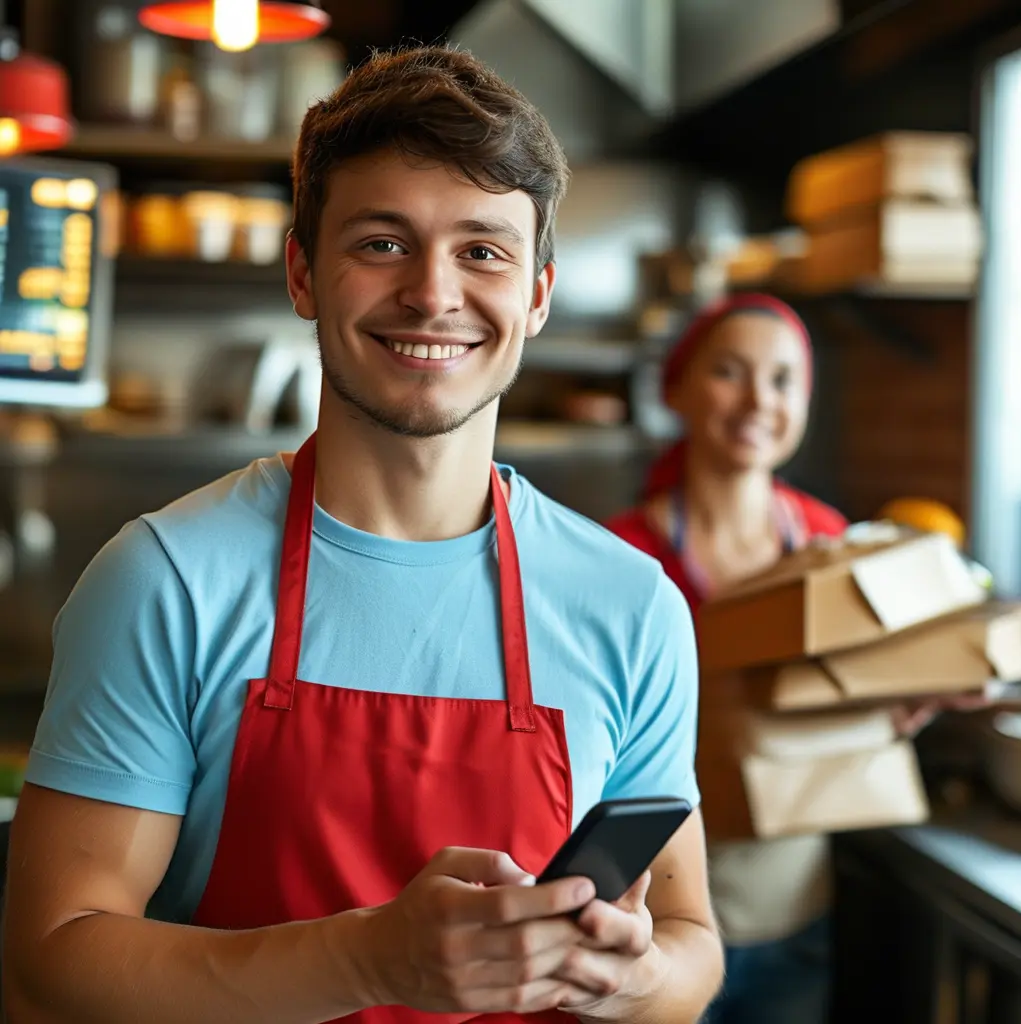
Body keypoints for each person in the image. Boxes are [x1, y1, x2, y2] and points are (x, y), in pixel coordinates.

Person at [2, 46, 724, 1024]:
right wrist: (366, 960)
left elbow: (690, 948)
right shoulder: (164, 579)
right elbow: (54, 958)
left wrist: (629, 978)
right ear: (303, 273)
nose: (433, 294)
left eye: (482, 250)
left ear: (538, 293)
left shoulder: (630, 604)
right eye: (382, 243)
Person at [606, 294, 846, 1024]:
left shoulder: (829, 545)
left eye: (782, 381)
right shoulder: (618, 559)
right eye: (729, 372)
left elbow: (853, 706)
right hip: (651, 927)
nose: (757, 401)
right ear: (676, 388)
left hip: (791, 905)